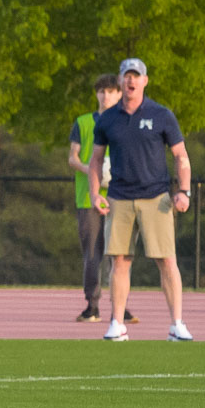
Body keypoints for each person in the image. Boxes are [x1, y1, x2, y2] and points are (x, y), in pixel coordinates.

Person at [89, 58, 194, 342]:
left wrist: (183, 191)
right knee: (119, 262)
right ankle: (116, 324)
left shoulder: (162, 115)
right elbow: (96, 160)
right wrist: (95, 193)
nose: (131, 81)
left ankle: (177, 324)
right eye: (126, 76)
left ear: (145, 81)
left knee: (166, 260)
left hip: (156, 198)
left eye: (136, 76)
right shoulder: (108, 119)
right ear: (121, 81)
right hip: (120, 198)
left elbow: (181, 156)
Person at [68, 75, 138, 325]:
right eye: (101, 91)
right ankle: (92, 305)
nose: (105, 95)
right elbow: (73, 157)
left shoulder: (128, 122)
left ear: (120, 94)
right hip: (89, 198)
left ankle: (121, 306)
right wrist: (94, 172)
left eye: (110, 91)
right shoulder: (84, 122)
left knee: (120, 254)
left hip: (120, 197)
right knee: (92, 254)